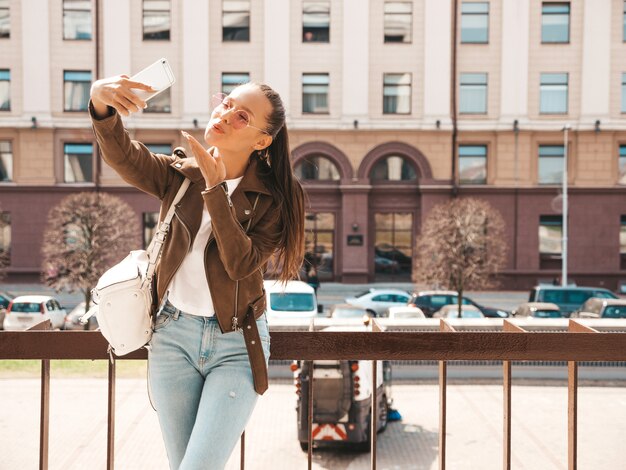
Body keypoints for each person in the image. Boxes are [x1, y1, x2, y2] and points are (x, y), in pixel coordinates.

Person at [89, 75, 305, 469]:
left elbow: (240, 263)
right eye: (225, 103)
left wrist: (215, 190)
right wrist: (101, 106)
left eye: (241, 116)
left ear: (261, 141)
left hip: (237, 344)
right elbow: (124, 155)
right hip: (173, 338)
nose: (224, 114)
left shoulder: (275, 198)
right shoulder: (177, 174)